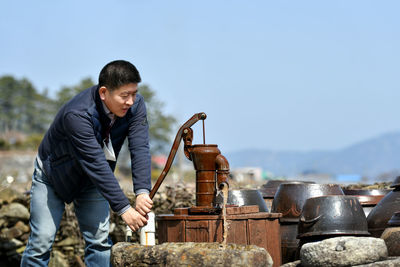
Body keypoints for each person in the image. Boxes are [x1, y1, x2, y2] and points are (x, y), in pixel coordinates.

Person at [21, 60, 153, 266]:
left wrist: (143, 190)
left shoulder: (136, 106)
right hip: (53, 175)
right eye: (124, 95)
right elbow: (95, 161)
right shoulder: (77, 114)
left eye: (134, 93)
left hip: (92, 181)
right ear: (103, 92)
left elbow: (140, 147)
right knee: (41, 243)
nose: (130, 101)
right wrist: (124, 209)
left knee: (99, 242)